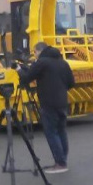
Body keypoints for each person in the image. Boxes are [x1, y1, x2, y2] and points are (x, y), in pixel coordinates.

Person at [17, 42, 75, 174]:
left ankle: (60, 163)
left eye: (35, 52)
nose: (35, 55)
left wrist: (19, 70)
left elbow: (26, 78)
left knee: (51, 132)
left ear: (39, 51)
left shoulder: (42, 62)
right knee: (61, 131)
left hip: (48, 102)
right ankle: (63, 160)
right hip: (62, 102)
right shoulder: (63, 62)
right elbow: (71, 83)